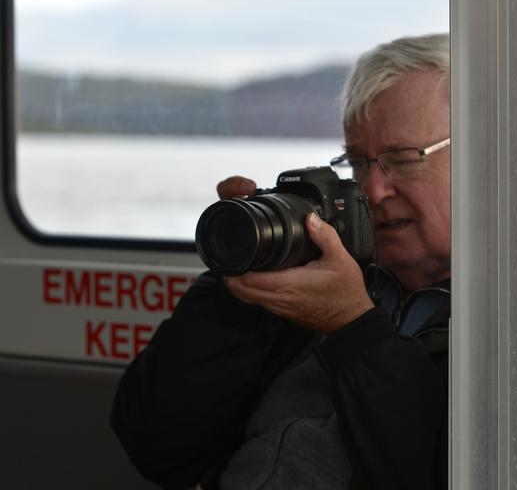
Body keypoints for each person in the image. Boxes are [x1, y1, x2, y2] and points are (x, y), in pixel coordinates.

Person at [111, 33, 451, 490]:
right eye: (357, 163)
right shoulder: (314, 280)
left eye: (403, 160)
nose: (372, 190)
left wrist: (353, 327)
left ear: (484, 158)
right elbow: (155, 446)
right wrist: (237, 292)